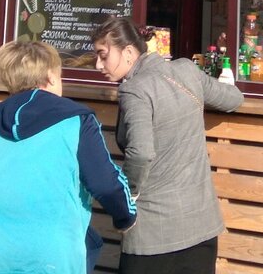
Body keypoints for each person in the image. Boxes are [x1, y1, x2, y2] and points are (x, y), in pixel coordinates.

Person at [0, 40, 137, 273]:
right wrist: (126, 217)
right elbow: (105, 184)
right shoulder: (76, 120)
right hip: (49, 259)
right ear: (51, 77)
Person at [91, 17, 244, 274]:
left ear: (128, 52)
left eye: (103, 55)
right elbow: (234, 99)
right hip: (202, 227)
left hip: (153, 236)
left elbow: (140, 153)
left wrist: (127, 198)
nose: (98, 65)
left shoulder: (134, 90)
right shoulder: (186, 70)